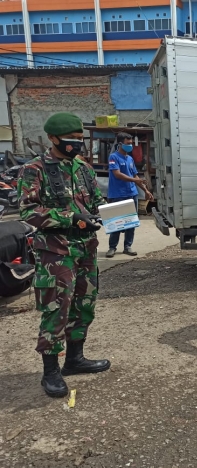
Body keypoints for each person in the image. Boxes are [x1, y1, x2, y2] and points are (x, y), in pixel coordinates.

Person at [17, 112, 111, 398]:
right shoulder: (35, 169)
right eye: (72, 139)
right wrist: (71, 218)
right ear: (54, 139)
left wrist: (109, 215)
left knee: (85, 304)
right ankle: (50, 372)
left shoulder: (82, 168)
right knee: (56, 309)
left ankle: (74, 359)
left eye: (80, 139)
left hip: (86, 249)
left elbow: (96, 202)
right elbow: (28, 212)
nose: (77, 144)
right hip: (55, 253)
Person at [106, 132, 153, 258]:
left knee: (131, 223)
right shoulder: (113, 157)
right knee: (117, 222)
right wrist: (135, 181)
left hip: (132, 194)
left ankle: (127, 246)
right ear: (120, 143)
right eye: (128, 143)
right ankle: (112, 247)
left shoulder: (130, 159)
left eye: (131, 143)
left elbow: (135, 176)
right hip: (118, 195)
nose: (130, 145)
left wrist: (146, 191)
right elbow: (117, 174)